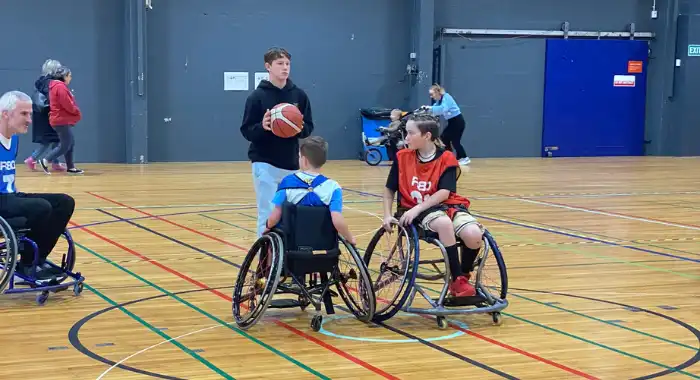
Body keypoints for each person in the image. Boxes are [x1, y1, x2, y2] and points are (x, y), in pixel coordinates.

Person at [382, 114, 482, 297]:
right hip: (414, 210)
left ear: (427, 136)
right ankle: (457, 279)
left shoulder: (447, 158)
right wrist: (387, 215)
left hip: (445, 206)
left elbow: (444, 193)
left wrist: (418, 208)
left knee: (474, 235)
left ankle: (464, 276)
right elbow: (389, 189)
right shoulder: (402, 157)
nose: (406, 138)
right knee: (443, 224)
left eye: (410, 133)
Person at [0, 90, 76, 281]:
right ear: (5, 114)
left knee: (64, 202)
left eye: (30, 114)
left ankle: (37, 259)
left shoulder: (14, 139)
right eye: (24, 114)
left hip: (10, 196)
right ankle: (28, 263)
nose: (30, 120)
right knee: (40, 207)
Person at [240, 47, 314, 236]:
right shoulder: (257, 97)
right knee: (268, 213)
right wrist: (262, 127)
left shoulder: (299, 95)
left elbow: (308, 127)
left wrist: (299, 128)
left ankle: (287, 257)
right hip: (265, 163)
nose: (285, 68)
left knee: (292, 213)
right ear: (268, 66)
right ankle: (266, 261)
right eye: (280, 64)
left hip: (291, 163)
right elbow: (247, 130)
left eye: (287, 64)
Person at [264, 136, 355, 245]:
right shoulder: (333, 187)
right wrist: (349, 237)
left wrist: (267, 226)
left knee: (270, 240)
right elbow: (337, 218)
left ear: (304, 160)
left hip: (292, 243)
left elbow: (276, 215)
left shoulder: (287, 183)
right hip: (323, 244)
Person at [38, 66, 83, 175]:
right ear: (64, 76)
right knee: (65, 145)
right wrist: (76, 111)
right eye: (70, 76)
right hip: (60, 119)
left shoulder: (55, 86)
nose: (70, 78)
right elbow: (66, 103)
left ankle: (71, 167)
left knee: (70, 142)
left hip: (59, 119)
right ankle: (45, 160)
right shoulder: (60, 87)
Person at [25, 59, 66, 172]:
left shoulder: (42, 81)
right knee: (49, 140)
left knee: (54, 139)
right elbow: (51, 97)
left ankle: (55, 162)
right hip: (47, 115)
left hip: (42, 115)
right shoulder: (50, 83)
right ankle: (32, 158)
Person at [422, 84, 470, 166]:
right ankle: (454, 157)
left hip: (457, 121)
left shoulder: (446, 97)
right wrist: (426, 110)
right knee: (449, 139)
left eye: (432, 94)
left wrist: (430, 108)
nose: (431, 96)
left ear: (437, 92)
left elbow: (443, 108)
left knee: (450, 139)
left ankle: (462, 157)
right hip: (453, 122)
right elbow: (435, 108)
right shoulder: (439, 101)